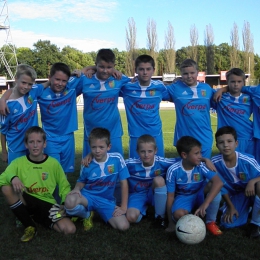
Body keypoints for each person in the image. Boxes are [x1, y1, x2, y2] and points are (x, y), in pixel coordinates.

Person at [0, 126, 76, 242]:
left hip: (47, 204)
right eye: (31, 142)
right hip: (26, 199)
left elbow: (64, 186)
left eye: (39, 142)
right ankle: (30, 225)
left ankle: (36, 218)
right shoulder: (18, 162)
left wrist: (64, 204)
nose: (35, 145)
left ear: (44, 144)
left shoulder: (53, 164)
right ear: (26, 144)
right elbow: (2, 178)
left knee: (69, 229)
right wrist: (13, 177)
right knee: (6, 188)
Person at [64, 127, 130, 231]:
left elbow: (124, 183)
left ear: (109, 147)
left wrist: (123, 207)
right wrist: (76, 189)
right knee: (69, 202)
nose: (97, 150)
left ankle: (96, 212)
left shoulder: (117, 159)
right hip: (88, 197)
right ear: (90, 147)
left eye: (101, 147)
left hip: (106, 200)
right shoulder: (87, 163)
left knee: (123, 227)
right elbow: (81, 181)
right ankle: (86, 214)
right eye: (94, 147)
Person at [166, 136, 223, 235]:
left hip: (200, 193)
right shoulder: (173, 170)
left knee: (214, 187)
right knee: (178, 215)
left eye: (200, 152)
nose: (200, 156)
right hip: (183, 197)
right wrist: (171, 222)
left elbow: (219, 182)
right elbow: (170, 197)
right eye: (196, 153)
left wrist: (205, 204)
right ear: (184, 155)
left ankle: (210, 222)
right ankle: (193, 219)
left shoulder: (200, 165)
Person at [211, 126, 260, 237]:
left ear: (236, 143)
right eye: (221, 142)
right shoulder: (215, 162)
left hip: (253, 192)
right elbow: (220, 187)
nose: (226, 145)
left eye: (229, 141)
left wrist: (252, 181)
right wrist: (231, 206)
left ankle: (255, 224)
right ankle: (237, 208)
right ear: (217, 145)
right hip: (238, 195)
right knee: (227, 224)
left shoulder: (247, 160)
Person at [80, 49, 129, 157]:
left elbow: (137, 83)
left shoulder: (119, 79)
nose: (105, 71)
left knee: (115, 166)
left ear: (114, 66)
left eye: (109, 67)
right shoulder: (85, 80)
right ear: (96, 65)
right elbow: (65, 85)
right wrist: (85, 69)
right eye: (101, 67)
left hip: (113, 133)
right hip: (91, 132)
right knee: (91, 167)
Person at [120, 55, 170, 158]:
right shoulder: (126, 87)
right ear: (136, 70)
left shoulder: (159, 87)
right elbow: (106, 73)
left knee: (158, 166)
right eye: (141, 69)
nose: (145, 72)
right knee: (135, 167)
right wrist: (90, 69)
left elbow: (176, 94)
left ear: (153, 70)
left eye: (148, 69)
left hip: (155, 133)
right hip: (136, 134)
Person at [125, 134, 176, 228]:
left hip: (154, 193)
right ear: (137, 151)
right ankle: (144, 210)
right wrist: (91, 155)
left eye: (150, 151)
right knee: (131, 218)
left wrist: (204, 160)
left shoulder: (162, 162)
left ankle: (160, 218)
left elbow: (184, 160)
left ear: (155, 150)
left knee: (159, 180)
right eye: (142, 151)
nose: (146, 155)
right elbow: (113, 163)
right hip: (137, 195)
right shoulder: (130, 164)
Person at [167, 59, 215, 158]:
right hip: (184, 138)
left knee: (203, 168)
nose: (189, 76)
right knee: (186, 170)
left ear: (197, 72)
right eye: (185, 73)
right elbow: (156, 90)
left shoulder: (207, 88)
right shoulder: (175, 88)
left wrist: (224, 89)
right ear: (181, 74)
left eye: (192, 73)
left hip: (204, 137)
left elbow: (222, 97)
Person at [0, 64, 43, 164]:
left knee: (33, 176)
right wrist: (4, 152)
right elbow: (3, 131)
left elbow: (49, 83)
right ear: (16, 79)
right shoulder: (6, 105)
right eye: (23, 83)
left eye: (30, 84)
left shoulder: (33, 91)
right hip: (16, 148)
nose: (26, 87)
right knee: (17, 177)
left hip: (33, 146)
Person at [212, 68, 254, 155]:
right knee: (229, 165)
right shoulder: (220, 97)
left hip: (247, 137)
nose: (236, 84)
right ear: (227, 82)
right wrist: (221, 90)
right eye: (232, 82)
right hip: (227, 139)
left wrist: (222, 89)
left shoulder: (250, 98)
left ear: (244, 82)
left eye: (239, 82)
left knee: (247, 165)